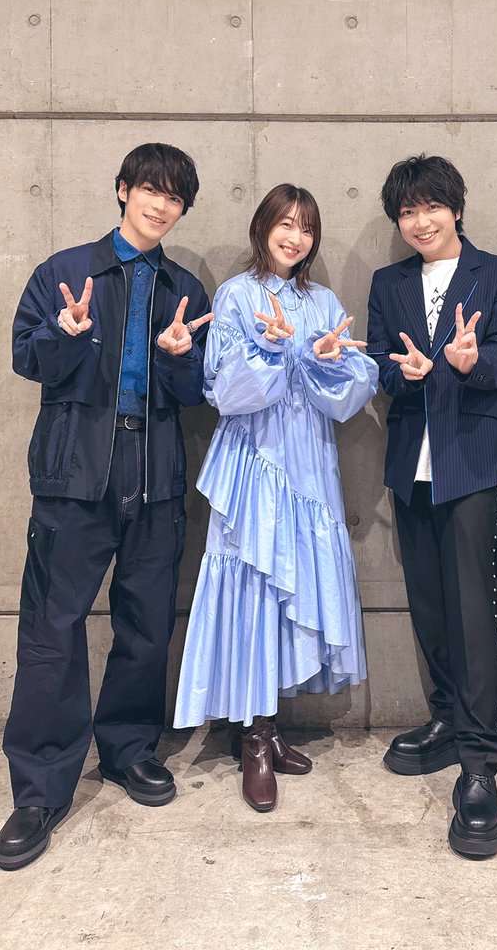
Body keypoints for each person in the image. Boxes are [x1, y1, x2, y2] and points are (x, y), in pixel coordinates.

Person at [0, 143, 213, 870]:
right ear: (123, 190)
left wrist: (179, 358)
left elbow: (195, 394)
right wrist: (64, 333)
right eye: (151, 189)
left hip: (155, 474)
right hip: (75, 471)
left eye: (175, 197)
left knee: (146, 626)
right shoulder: (65, 272)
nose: (161, 205)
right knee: (51, 630)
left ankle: (127, 750)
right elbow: (27, 358)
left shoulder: (184, 287)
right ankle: (39, 789)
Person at [175, 184, 377, 812]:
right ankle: (253, 738)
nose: (295, 237)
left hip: (309, 464)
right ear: (263, 227)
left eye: (306, 228)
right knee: (254, 586)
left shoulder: (322, 302)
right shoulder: (236, 296)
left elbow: (350, 393)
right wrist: (269, 349)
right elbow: (224, 392)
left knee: (290, 586)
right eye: (285, 224)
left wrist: (325, 362)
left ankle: (267, 726)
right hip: (254, 464)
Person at [367, 155, 497, 859]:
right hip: (412, 468)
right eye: (407, 212)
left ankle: (481, 759)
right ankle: (446, 719)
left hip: (473, 461)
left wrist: (471, 362)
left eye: (431, 206)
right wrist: (397, 372)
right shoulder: (389, 283)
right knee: (430, 606)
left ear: (456, 208)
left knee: (471, 611)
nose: (420, 221)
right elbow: (377, 361)